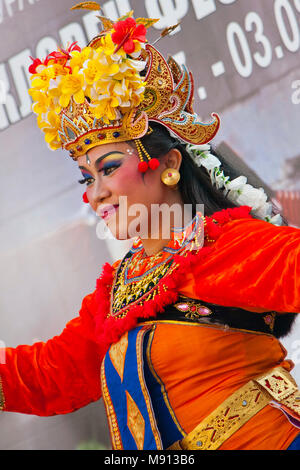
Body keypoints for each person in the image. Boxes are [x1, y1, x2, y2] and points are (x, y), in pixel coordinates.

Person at [1, 3, 300, 450]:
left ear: (169, 164)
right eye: (87, 177)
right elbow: (50, 375)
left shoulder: (229, 246)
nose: (95, 192)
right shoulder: (119, 289)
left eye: (108, 167)